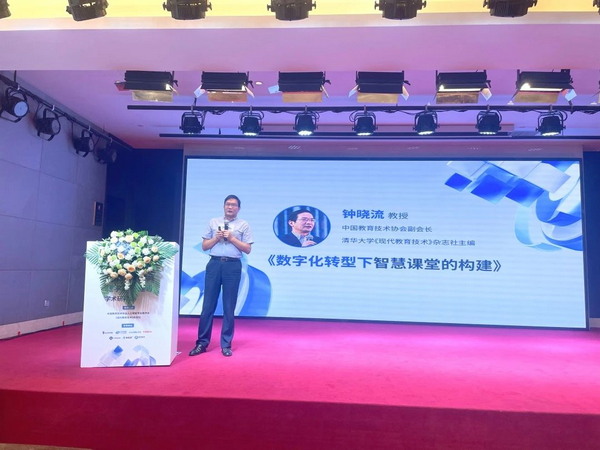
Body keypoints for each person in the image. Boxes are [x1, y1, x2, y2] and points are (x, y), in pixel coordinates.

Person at [189, 195, 253, 357]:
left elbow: (247, 249)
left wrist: (231, 238)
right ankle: (202, 343)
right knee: (207, 305)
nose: (230, 207)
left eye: (233, 205)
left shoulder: (243, 225)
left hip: (233, 265)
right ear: (224, 206)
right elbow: (205, 246)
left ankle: (226, 344)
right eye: (227, 204)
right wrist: (216, 238)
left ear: (238, 208)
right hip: (214, 264)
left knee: (229, 306)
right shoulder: (213, 222)